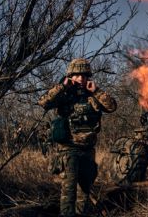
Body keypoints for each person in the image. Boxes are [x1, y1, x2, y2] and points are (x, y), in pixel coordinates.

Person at [38, 58, 117, 217]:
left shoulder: (92, 94)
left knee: (84, 191)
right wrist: (62, 87)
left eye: (84, 75)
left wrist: (97, 91)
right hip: (69, 150)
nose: (81, 78)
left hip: (88, 150)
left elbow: (112, 106)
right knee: (69, 190)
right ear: (70, 76)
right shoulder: (64, 94)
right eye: (77, 75)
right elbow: (43, 102)